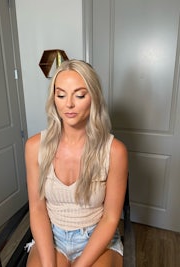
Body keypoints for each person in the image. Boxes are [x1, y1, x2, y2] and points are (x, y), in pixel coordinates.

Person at [25, 59, 128, 267]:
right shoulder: (35, 146)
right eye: (61, 95)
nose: (68, 104)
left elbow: (110, 218)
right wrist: (48, 265)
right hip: (51, 237)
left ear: (94, 98)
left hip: (98, 239)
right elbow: (36, 209)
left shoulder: (115, 151)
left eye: (80, 95)